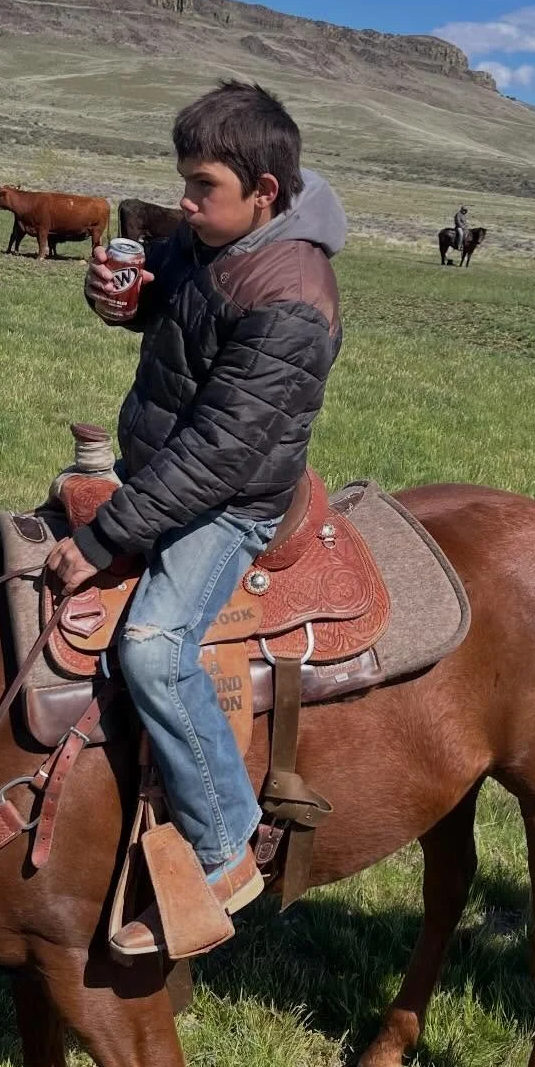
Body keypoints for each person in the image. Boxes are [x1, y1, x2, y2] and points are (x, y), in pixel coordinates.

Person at [44, 82, 346, 950]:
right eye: (183, 181)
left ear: (267, 193)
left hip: (231, 502)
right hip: (165, 470)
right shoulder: (211, 237)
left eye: (202, 186)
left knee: (151, 647)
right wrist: (119, 298)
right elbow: (164, 312)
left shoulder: (294, 296)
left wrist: (105, 538)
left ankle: (225, 845)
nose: (184, 201)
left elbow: (221, 454)